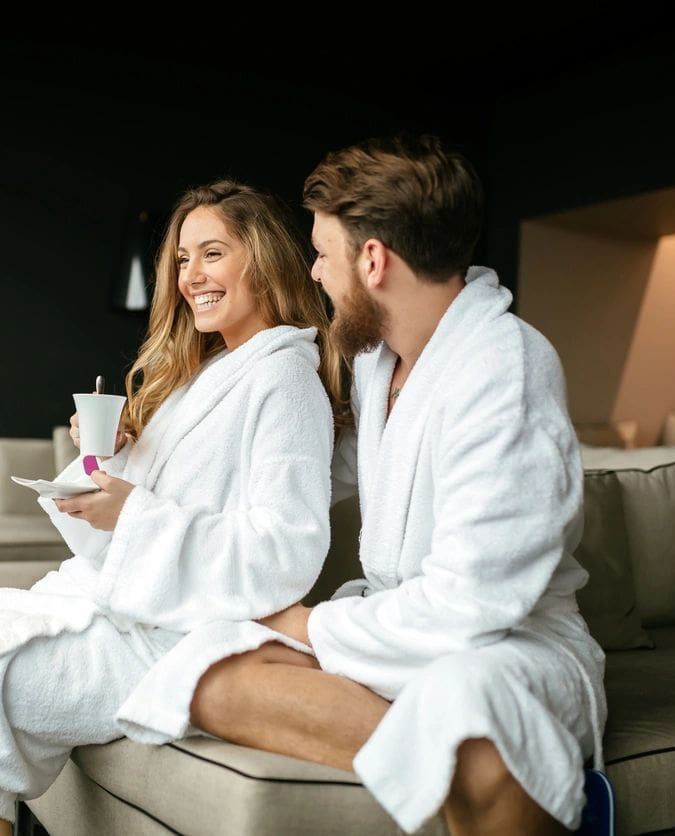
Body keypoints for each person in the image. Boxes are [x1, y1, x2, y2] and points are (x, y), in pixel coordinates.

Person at [0, 180, 347, 836]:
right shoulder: (202, 377)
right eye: (184, 259)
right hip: (117, 608)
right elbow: (115, 526)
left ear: (265, 259)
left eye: (213, 253)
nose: (192, 275)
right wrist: (98, 464)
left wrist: (131, 512)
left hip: (169, 641)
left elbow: (285, 554)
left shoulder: (284, 379)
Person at [188, 135, 607, 835]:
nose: (317, 274)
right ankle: (463, 763)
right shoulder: (380, 362)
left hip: (503, 649)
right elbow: (305, 471)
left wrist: (310, 625)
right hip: (397, 632)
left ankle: (491, 761)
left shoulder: (506, 368)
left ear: (373, 260)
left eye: (323, 254)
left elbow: (474, 604)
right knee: (213, 675)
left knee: (462, 696)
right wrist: (170, 472)